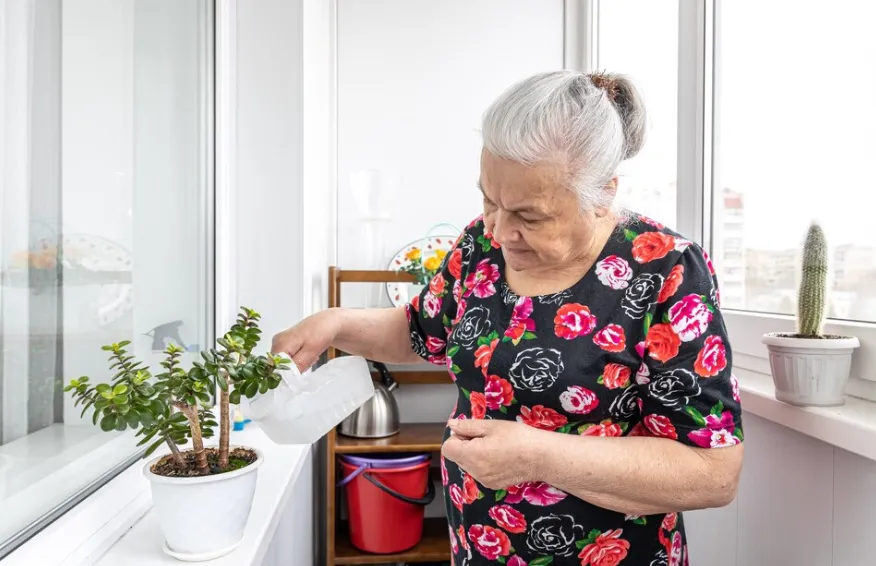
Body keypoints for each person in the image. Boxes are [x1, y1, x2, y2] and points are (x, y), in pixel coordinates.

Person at [272, 70, 744, 566]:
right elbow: (418, 330)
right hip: (478, 546)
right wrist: (335, 324)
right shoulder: (480, 244)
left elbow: (713, 472)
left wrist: (538, 456)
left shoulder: (665, 268)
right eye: (489, 200)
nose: (500, 230)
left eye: (530, 215)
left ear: (603, 193)